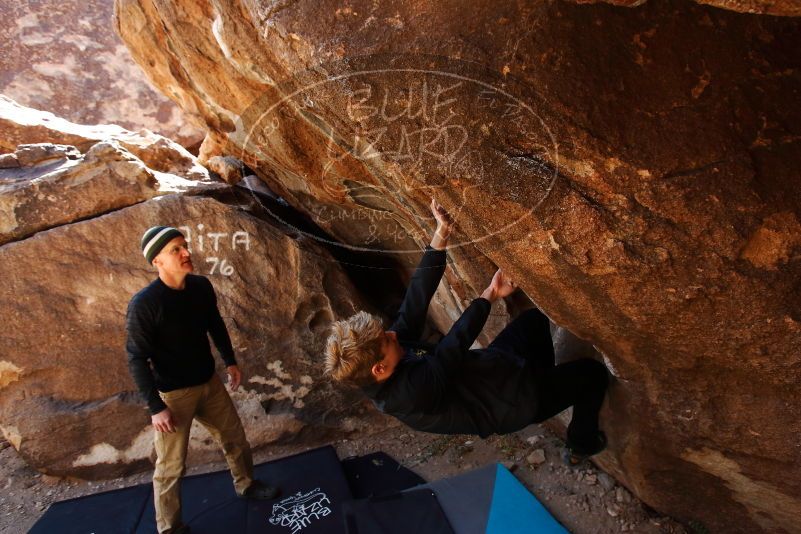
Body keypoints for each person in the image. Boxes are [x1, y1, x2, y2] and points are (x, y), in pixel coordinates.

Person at [325, 200, 609, 464]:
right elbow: (452, 347)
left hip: (493, 368)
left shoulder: (388, 353)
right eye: (388, 341)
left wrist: (442, 233)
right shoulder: (408, 396)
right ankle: (580, 444)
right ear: (379, 369)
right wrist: (490, 294)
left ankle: (547, 381)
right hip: (513, 402)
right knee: (592, 375)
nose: (394, 334)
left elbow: (415, 301)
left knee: (534, 320)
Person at [126, 226, 279, 534]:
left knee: (235, 438)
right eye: (175, 250)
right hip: (173, 395)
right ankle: (169, 527)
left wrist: (230, 360)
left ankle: (246, 485)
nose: (186, 253)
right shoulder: (145, 304)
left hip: (209, 384)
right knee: (170, 466)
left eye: (184, 246)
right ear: (157, 261)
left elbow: (215, 325)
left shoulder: (201, 287)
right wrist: (156, 407)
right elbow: (136, 358)